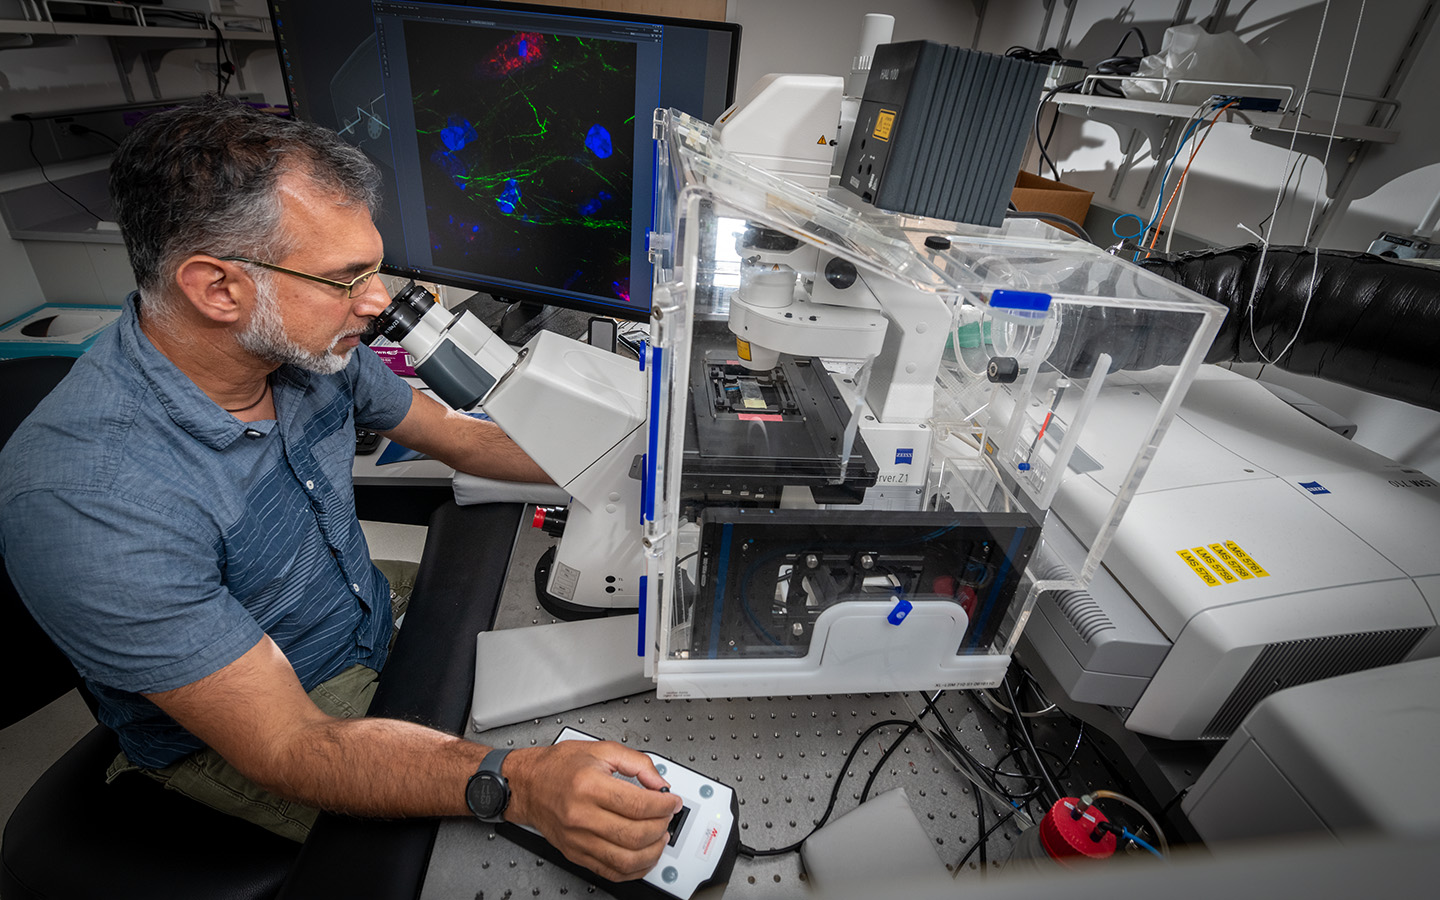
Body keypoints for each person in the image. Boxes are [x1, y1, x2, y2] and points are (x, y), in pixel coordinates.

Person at [0, 96, 679, 883]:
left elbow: (461, 437)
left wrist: (645, 458)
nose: (377, 300)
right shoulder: (94, 502)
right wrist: (515, 783)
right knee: (518, 850)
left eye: (373, 266)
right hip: (267, 721)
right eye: (345, 278)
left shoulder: (301, 343)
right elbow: (289, 745)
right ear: (218, 288)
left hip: (354, 606)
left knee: (588, 673)